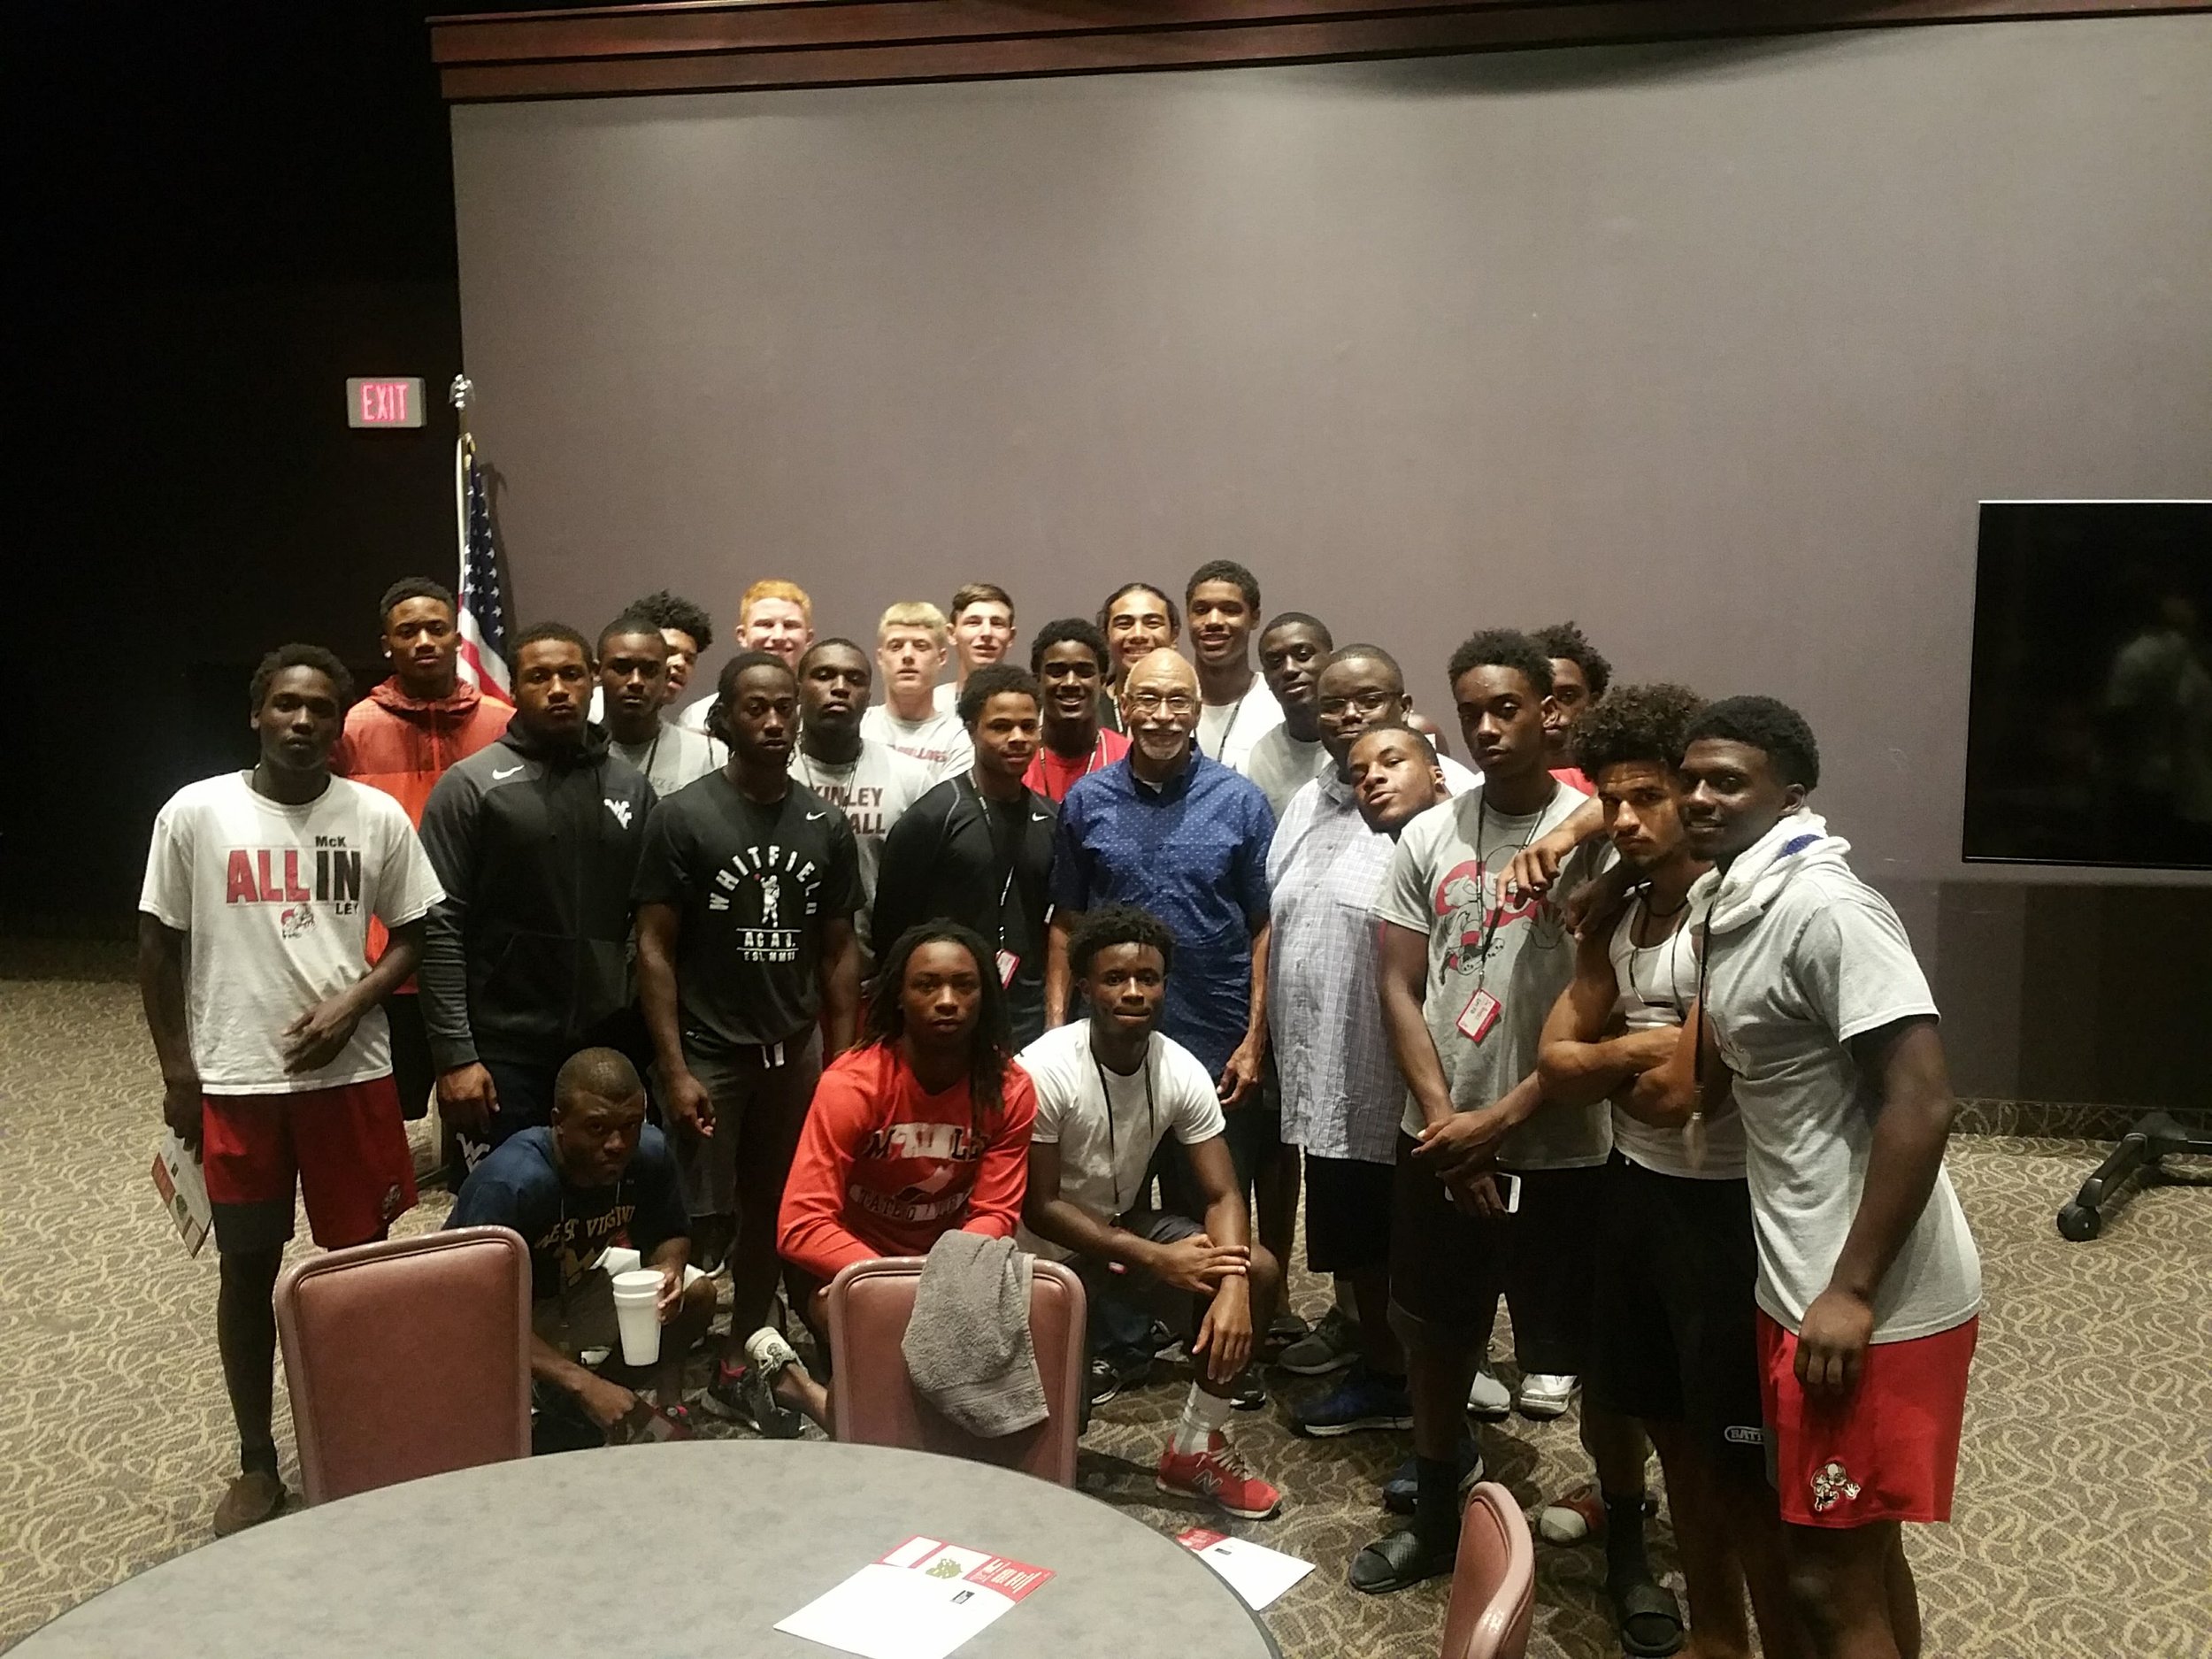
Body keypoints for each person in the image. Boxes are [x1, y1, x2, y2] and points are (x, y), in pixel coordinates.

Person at [1645, 696, 1980, 1659]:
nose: (1700, 797)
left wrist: (1849, 1290)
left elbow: (1923, 1102)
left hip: (1865, 1298)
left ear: (1790, 797)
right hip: (1795, 1274)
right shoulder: (1731, 901)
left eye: (1728, 782)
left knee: (1823, 1582)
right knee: (1857, 1555)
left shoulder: (1827, 910)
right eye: (1692, 779)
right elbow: (1713, 1086)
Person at [1360, 629, 1672, 1646]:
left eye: (1508, 708)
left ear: (1550, 712)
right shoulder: (1428, 835)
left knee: (1598, 1363)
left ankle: (1626, 1543)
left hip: (1569, 1146)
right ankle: (1442, 1515)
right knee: (1437, 1338)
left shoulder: (1608, 828)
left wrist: (1500, 1119)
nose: (1488, 728)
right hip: (1444, 1135)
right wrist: (1447, 1125)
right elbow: (1399, 988)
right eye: (1470, 710)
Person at [138, 644, 442, 1534]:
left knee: (356, 1270)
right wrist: (176, 1069)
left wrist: (355, 1000)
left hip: (350, 1079)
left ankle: (365, 1434)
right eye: (286, 705)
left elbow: (420, 931)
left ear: (338, 724)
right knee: (246, 1270)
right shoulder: (197, 812)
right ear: (257, 715)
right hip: (236, 1080)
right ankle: (258, 1460)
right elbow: (157, 943)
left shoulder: (376, 815)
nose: (303, 721)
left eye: (320, 708)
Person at [1536, 685, 1806, 1659]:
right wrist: (1629, 1053)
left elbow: (1680, 1094)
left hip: (1730, 1211)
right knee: (1672, 1437)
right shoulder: (1617, 913)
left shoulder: (1734, 911)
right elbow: (1558, 1064)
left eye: (1648, 796)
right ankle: (1717, 1637)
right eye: (1612, 800)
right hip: (1637, 1194)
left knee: (1743, 1466)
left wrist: (1615, 1057)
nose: (1626, 820)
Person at [633, 650, 863, 1433]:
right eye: (754, 708)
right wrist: (673, 1067)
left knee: (777, 1208)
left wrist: (842, 1062)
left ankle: (741, 1349)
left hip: (791, 1050)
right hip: (708, 1049)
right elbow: (655, 948)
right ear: (723, 719)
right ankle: (663, 1377)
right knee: (696, 1220)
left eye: (783, 708)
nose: (772, 721)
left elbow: (838, 952)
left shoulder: (824, 823)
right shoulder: (683, 815)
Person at [1019, 906, 1285, 1520]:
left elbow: (1222, 1194)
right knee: (1049, 1458)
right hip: (1035, 1257)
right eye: (1115, 978)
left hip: (1117, 1236)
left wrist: (1235, 1284)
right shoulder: (1045, 1067)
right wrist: (1154, 1257)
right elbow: (1042, 1204)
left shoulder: (1179, 1066)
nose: (1134, 990)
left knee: (1261, 1269)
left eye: (1148, 976)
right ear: (1085, 986)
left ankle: (1196, 1444)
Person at [1269, 666, 1474, 1435]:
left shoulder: (1451, 802)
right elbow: (1279, 916)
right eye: (1335, 705)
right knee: (1359, 1243)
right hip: (1328, 1069)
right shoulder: (1313, 799)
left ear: (1406, 709)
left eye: (1370, 703)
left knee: (1418, 1249)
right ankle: (1384, 1369)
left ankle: (1426, 1387)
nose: (1352, 717)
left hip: (1410, 1082)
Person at [757, 923, 1040, 1432]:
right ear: (900, 997)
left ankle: (798, 1388)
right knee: (883, 1408)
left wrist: (940, 1281)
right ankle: (808, 1387)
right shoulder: (851, 1084)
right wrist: (898, 1284)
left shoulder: (1009, 1089)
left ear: (986, 996)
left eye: (965, 985)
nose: (947, 1000)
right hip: (841, 1263)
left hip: (945, 1262)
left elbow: (996, 1213)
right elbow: (801, 1225)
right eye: (927, 985)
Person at [418, 623, 657, 1164]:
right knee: (499, 1210)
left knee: (604, 1208)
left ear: (592, 681)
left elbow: (649, 926)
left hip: (608, 1045)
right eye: (539, 677)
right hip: (503, 1050)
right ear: (514, 688)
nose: (557, 688)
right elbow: (439, 925)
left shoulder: (630, 788)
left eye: (571, 674)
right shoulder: (471, 786)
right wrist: (454, 1056)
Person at [1047, 649, 1275, 1205]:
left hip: (1214, 1045)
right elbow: (1065, 923)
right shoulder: (1086, 801)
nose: (1162, 715)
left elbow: (1265, 927)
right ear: (1123, 707)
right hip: (1107, 1047)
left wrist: (1253, 1040)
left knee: (1207, 1211)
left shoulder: (1241, 801)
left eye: (1178, 702)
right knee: (1095, 1209)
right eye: (1147, 699)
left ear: (1197, 712)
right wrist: (1056, 1031)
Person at [445, 1048, 717, 1445]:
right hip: (481, 1317)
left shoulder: (650, 1155)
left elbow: (671, 1233)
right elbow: (473, 1316)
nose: (617, 1144)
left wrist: (668, 1268)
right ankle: (580, 1395)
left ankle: (582, 1412)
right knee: (486, 1436)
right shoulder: (511, 1184)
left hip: (570, 1292)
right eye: (596, 1128)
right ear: (558, 1123)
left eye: (630, 1126)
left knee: (696, 1295)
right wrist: (581, 1382)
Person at [331, 577, 511, 1130]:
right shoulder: (352, 728)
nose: (425, 641)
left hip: (484, 938)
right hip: (390, 948)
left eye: (437, 628)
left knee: (483, 1094)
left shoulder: (504, 722)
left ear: (458, 638)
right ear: (387, 643)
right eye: (408, 632)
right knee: (389, 1103)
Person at [872, 664, 1056, 1047]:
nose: (1018, 738)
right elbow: (892, 927)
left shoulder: (1051, 817)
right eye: (1001, 726)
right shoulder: (934, 815)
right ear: (972, 729)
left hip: (1025, 1014)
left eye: (1028, 726)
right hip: (946, 1012)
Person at [787, 638, 936, 973]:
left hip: (878, 976)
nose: (840, 688)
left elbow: (928, 892)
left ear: (869, 697)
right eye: (824, 675)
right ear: (797, 690)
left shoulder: (910, 777)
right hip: (783, 981)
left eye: (855, 680)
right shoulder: (772, 772)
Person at [595, 613, 721, 794]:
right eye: (622, 668)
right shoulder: (572, 749)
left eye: (649, 670)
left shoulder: (710, 754)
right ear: (596, 672)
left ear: (664, 676)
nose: (636, 681)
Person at [671, 579, 814, 730]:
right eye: (766, 625)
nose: (778, 636)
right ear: (742, 636)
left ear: (808, 638)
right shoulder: (698, 719)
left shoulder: (825, 716)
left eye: (790, 625)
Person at [1185, 560, 1284, 772]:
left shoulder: (1278, 703)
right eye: (1201, 610)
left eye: (1229, 610)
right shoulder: (1165, 703)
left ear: (1255, 617)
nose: (1213, 621)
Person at [861, 602, 974, 781]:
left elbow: (946, 807)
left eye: (921, 646)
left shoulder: (959, 739)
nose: (907, 656)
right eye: (896, 646)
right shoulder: (860, 726)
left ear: (941, 658)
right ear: (880, 658)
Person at [1025, 617, 1130, 802]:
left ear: (1103, 681)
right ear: (1037, 681)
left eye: (1084, 672)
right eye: (1057, 672)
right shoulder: (1017, 755)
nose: (1071, 683)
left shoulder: (1128, 757)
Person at [1242, 611, 1335, 817]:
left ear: (1332, 661)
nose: (1289, 669)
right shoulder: (1259, 759)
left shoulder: (1363, 742)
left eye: (1303, 655)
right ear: (1266, 677)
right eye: (1275, 662)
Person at [1535, 620, 1613, 795]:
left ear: (1593, 702)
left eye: (1567, 697)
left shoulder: (1623, 781)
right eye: (1541, 696)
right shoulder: (1488, 789)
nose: (1552, 710)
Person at [1095, 581, 1181, 733]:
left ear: (1174, 636)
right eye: (1124, 624)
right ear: (1105, 637)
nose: (1138, 634)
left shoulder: (1188, 706)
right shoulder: (1089, 710)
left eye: (1152, 623)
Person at [933, 581, 1018, 713]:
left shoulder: (1028, 708)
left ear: (1011, 636)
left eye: (997, 624)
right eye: (973, 623)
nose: (986, 633)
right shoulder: (932, 705)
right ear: (951, 634)